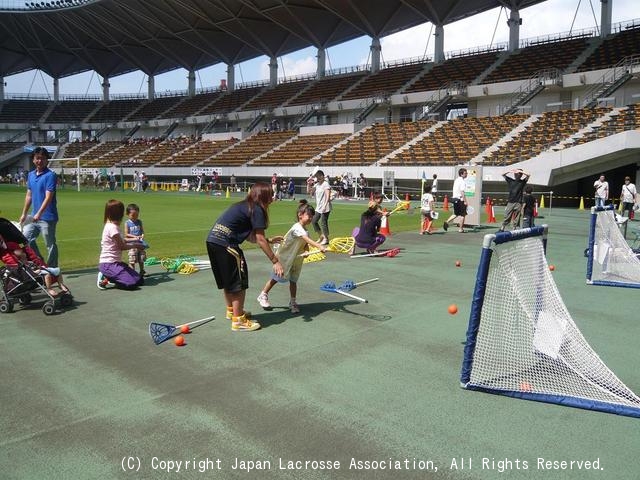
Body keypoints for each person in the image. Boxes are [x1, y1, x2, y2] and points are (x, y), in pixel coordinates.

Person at [206, 182, 284, 332]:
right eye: (271, 194)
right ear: (264, 196)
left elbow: (249, 236)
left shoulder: (243, 205)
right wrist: (275, 261)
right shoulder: (257, 209)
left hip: (213, 241)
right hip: (226, 244)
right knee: (238, 282)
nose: (273, 197)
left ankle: (232, 311)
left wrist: (268, 240)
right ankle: (239, 321)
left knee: (228, 280)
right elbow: (259, 239)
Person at [256, 200, 326, 314]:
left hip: (296, 259)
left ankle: (292, 302)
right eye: (309, 215)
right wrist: (319, 246)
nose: (311, 218)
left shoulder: (306, 231)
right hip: (285, 257)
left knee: (293, 280)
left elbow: (305, 243)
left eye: (312, 216)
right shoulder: (297, 227)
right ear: (300, 215)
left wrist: (307, 251)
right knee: (276, 278)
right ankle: (263, 295)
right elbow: (306, 239)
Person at [19, 146, 59, 268]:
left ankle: (52, 268)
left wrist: (39, 213)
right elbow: (29, 196)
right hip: (33, 216)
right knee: (26, 239)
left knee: (50, 243)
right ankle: (40, 262)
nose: (39, 161)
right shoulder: (31, 175)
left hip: (47, 217)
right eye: (37, 158)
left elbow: (48, 197)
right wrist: (24, 213)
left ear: (47, 160)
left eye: (42, 158)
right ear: (33, 160)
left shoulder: (50, 175)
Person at [97, 199, 144, 290]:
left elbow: (122, 240)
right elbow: (122, 246)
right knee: (131, 284)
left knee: (139, 280)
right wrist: (136, 245)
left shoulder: (114, 226)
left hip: (116, 263)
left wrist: (135, 239)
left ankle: (113, 277)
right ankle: (107, 277)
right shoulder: (112, 228)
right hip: (108, 264)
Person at [311, 170, 332, 245]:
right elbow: (310, 192)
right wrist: (308, 184)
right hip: (318, 207)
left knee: (323, 222)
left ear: (322, 176)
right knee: (314, 221)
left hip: (325, 207)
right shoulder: (317, 185)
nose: (317, 178)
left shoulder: (326, 184)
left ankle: (326, 239)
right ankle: (321, 236)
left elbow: (327, 195)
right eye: (316, 176)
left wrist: (325, 205)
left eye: (319, 176)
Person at [124, 203, 147, 276]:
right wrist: (134, 237)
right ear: (128, 214)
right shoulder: (127, 223)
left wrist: (142, 235)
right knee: (132, 259)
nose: (135, 217)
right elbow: (126, 234)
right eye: (133, 215)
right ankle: (132, 273)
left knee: (141, 257)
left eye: (137, 215)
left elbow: (142, 231)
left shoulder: (139, 222)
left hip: (140, 243)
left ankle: (142, 271)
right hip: (132, 244)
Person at [444, 168, 468, 233]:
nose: (466, 174)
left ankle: (447, 221)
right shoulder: (462, 181)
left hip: (455, 199)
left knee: (456, 213)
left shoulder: (456, 180)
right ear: (461, 174)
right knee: (463, 215)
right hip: (460, 199)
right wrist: (465, 201)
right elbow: (462, 192)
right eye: (465, 173)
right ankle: (461, 229)